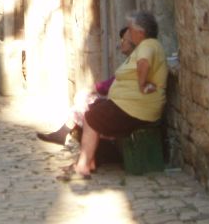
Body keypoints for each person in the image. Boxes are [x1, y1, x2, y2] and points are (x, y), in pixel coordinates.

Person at [71, 10, 168, 178]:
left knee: (93, 116)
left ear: (140, 33)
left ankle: (84, 165)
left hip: (137, 109)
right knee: (95, 109)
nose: (128, 33)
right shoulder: (147, 46)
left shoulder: (148, 45)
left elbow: (144, 62)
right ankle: (90, 160)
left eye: (130, 29)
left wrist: (142, 84)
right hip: (131, 106)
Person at [37, 27, 135, 146]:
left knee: (85, 103)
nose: (121, 43)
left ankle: (67, 135)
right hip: (120, 101)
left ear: (132, 43)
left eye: (124, 40)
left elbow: (113, 83)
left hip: (123, 106)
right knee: (83, 99)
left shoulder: (135, 62)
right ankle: (65, 134)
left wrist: (94, 88)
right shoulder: (131, 61)